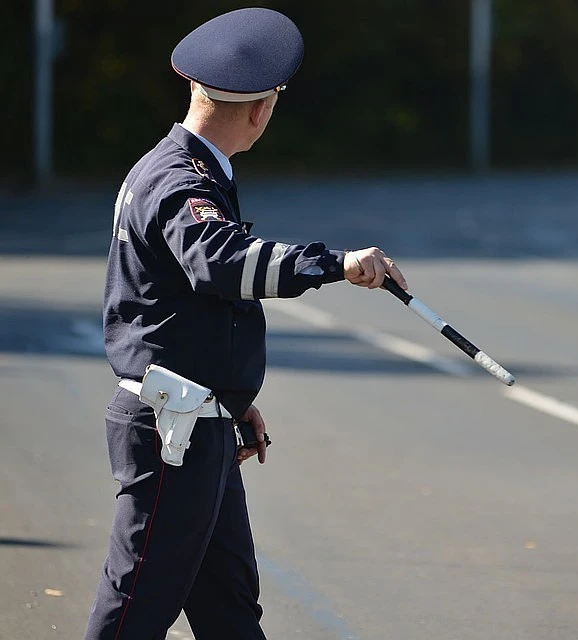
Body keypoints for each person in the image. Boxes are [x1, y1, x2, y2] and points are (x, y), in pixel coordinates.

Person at [84, 8, 407, 639]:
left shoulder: (187, 171)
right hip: (171, 428)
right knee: (134, 609)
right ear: (261, 109)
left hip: (198, 421)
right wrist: (337, 265)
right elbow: (223, 265)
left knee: (229, 607)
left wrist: (231, 400)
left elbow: (192, 305)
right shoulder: (181, 180)